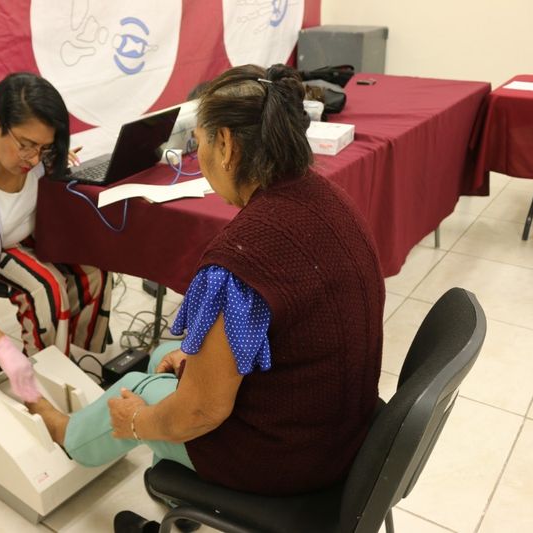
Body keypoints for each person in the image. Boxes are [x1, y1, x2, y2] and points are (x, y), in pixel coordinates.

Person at [27, 63, 385, 495]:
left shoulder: (242, 257)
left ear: (227, 145)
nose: (199, 158)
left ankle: (70, 436)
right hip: (345, 437)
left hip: (285, 460)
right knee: (167, 350)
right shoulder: (332, 197)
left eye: (198, 143)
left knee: (134, 391)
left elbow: (202, 412)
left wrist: (138, 422)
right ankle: (179, 480)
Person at [0, 72, 113, 403]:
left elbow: (44, 167)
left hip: (33, 226)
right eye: (25, 145)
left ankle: (77, 362)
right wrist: (3, 348)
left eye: (43, 147)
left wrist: (54, 155)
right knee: (47, 289)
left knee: (96, 268)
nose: (32, 158)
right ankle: (43, 382)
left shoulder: (37, 153)